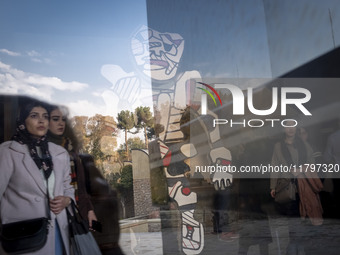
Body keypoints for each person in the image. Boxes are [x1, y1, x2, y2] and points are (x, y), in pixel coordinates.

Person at [0, 99, 74, 254]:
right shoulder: (8, 151)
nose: (41, 120)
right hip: (24, 235)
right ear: (22, 120)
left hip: (58, 230)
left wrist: (67, 200)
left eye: (45, 116)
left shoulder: (59, 153)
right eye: (34, 116)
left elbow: (68, 187)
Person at [270, 121, 323, 254]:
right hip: (288, 188)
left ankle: (300, 247)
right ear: (283, 128)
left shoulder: (304, 144)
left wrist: (300, 170)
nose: (290, 128)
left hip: (305, 187)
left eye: (292, 125)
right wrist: (273, 186)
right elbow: (275, 166)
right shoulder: (278, 146)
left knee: (305, 220)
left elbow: (312, 163)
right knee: (294, 223)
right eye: (287, 126)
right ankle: (295, 247)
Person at [47, 105, 98, 228]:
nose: (61, 123)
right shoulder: (41, 151)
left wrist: (90, 210)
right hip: (52, 213)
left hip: (75, 211)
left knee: (85, 244)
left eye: (63, 120)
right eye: (55, 119)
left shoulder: (71, 149)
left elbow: (80, 185)